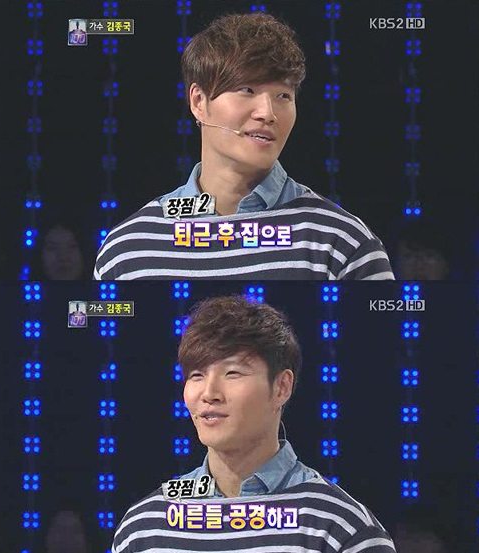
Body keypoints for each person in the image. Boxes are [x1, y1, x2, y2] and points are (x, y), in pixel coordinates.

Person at [94, 12, 394, 280]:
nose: (268, 113)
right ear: (198, 102)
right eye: (247, 89)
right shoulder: (126, 250)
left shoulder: (344, 244)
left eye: (283, 96)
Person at [111, 296, 396, 552]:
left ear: (281, 387)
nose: (209, 393)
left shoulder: (342, 528)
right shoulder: (144, 527)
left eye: (232, 373)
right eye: (197, 375)